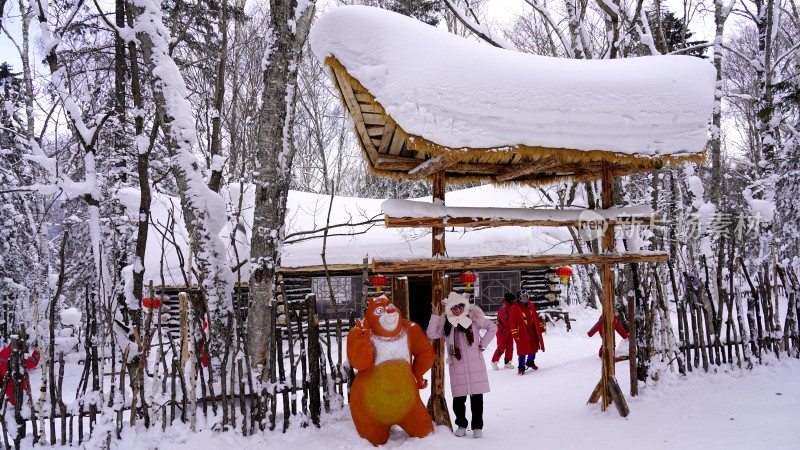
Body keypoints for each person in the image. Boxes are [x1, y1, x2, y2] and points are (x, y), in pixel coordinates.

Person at [427, 292, 497, 439]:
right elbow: (432, 334)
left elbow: (492, 328)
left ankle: (477, 427)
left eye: (460, 306)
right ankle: (461, 425)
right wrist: (435, 316)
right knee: (459, 400)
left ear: (464, 306)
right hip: (457, 366)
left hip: (475, 366)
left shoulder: (473, 318)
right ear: (450, 309)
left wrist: (483, 344)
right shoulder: (447, 323)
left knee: (477, 399)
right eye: (454, 307)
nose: (458, 309)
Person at [510, 290, 545, 375]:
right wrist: (515, 333)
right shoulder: (514, 308)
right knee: (522, 350)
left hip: (532, 331)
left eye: (526, 296)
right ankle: (521, 367)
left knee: (533, 347)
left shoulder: (531, 305)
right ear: (519, 298)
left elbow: (536, 317)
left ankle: (530, 362)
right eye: (522, 297)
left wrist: (540, 327)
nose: (525, 298)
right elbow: (512, 322)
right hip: (522, 332)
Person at [490, 293, 516, 370]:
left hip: (510, 329)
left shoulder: (512, 306)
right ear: (510, 299)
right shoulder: (504, 308)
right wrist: (515, 324)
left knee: (510, 346)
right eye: (513, 299)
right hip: (502, 329)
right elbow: (506, 320)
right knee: (501, 347)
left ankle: (508, 362)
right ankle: (494, 361)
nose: (514, 301)